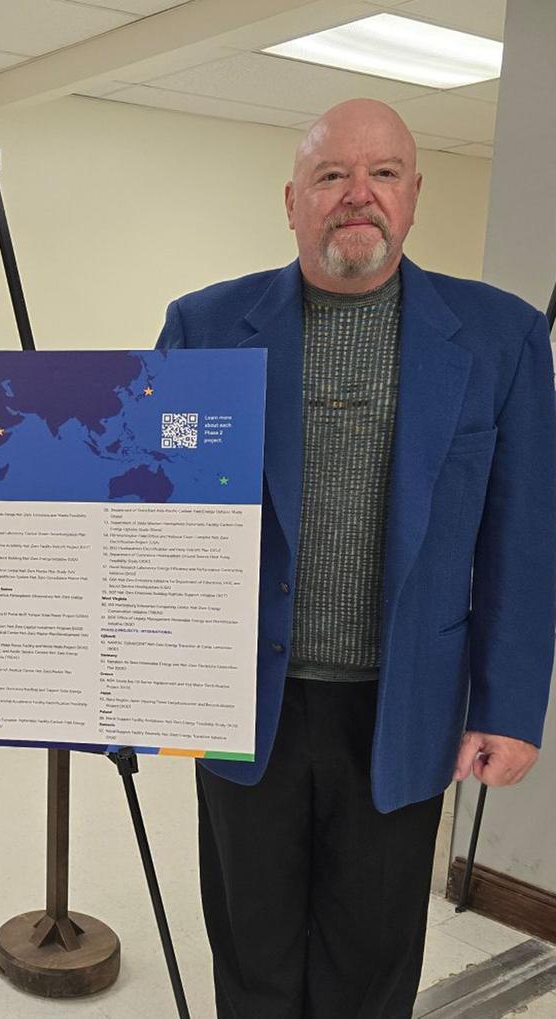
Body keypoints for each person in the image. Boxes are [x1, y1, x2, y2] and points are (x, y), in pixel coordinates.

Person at [156, 98, 556, 1018]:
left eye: (382, 174)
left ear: (415, 196)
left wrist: (510, 705)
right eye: (331, 175)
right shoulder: (205, 324)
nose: (357, 196)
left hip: (404, 702)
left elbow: (522, 534)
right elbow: (155, 519)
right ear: (291, 200)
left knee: (371, 958)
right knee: (250, 946)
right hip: (240, 700)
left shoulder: (500, 338)